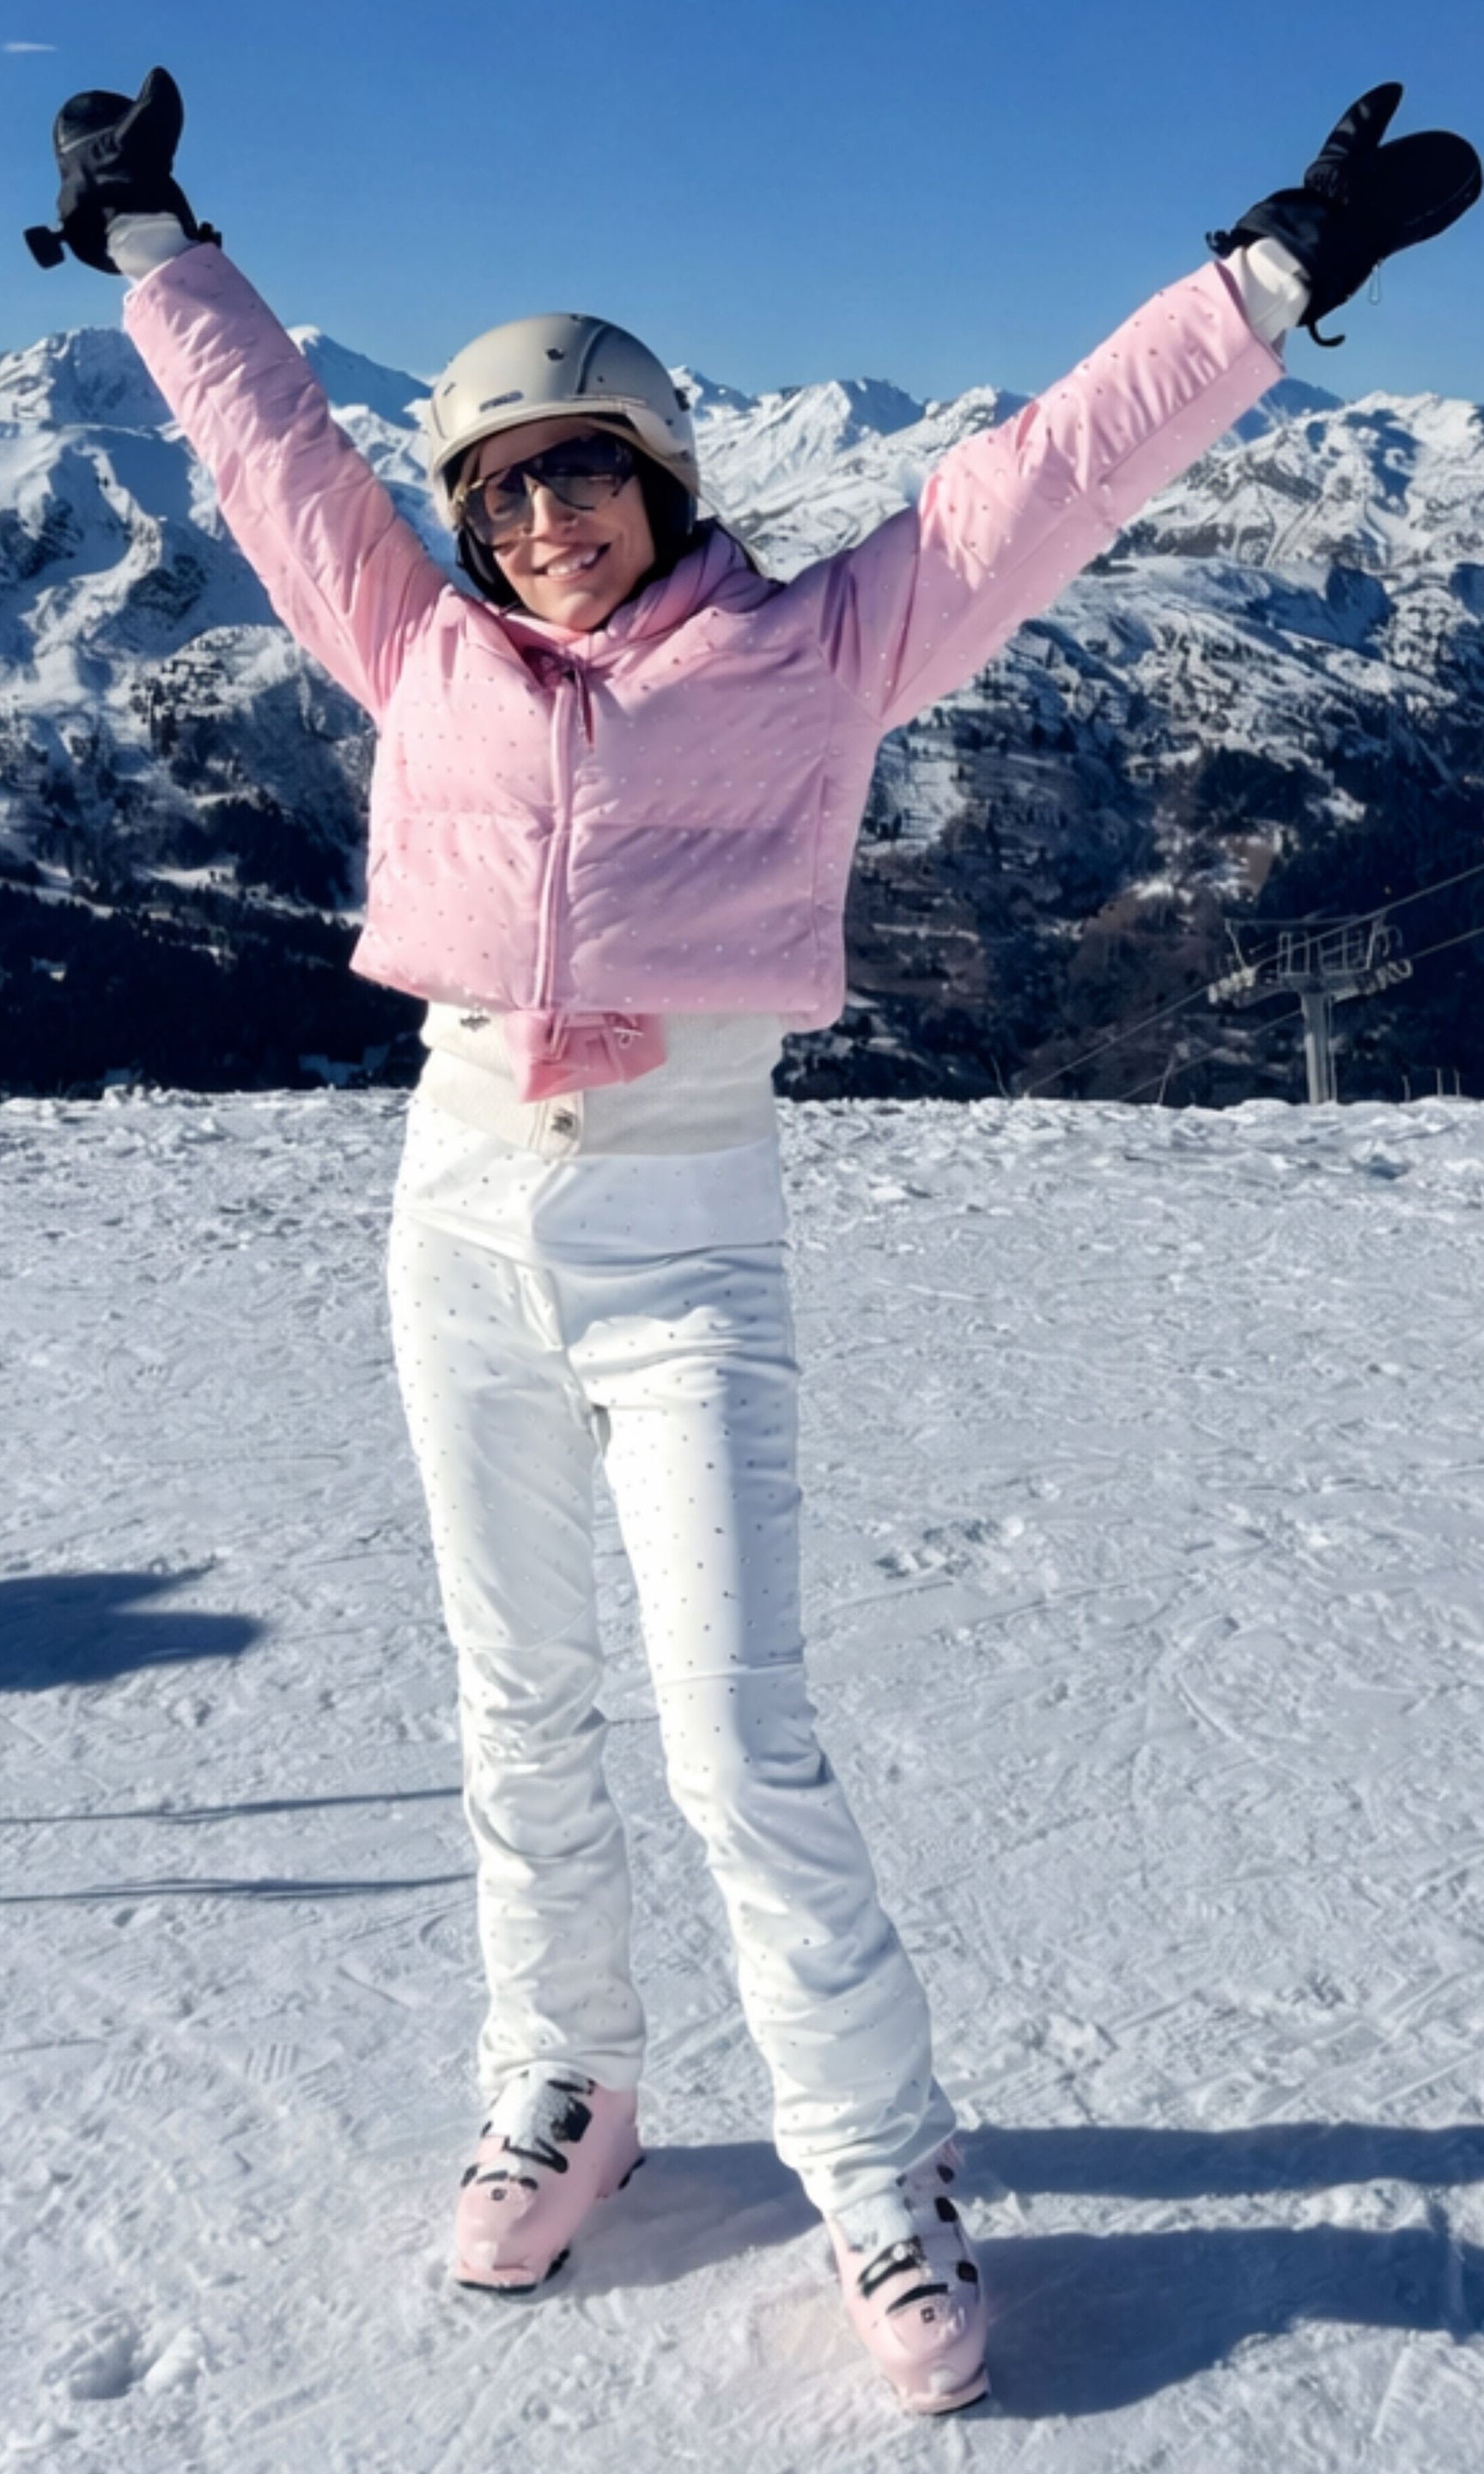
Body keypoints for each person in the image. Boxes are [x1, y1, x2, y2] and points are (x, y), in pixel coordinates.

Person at [27, 70, 1479, 2416]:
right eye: (498, 488)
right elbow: (274, 453)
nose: (539, 517)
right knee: (514, 1698)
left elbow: (1047, 481)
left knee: (735, 1737)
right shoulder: (420, 653)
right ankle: (570, 2084)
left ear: (662, 476)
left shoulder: (812, 656)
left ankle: (880, 2174)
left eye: (579, 467)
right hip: (455, 1201)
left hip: (687, 1226)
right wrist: (151, 244)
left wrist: (1273, 274)